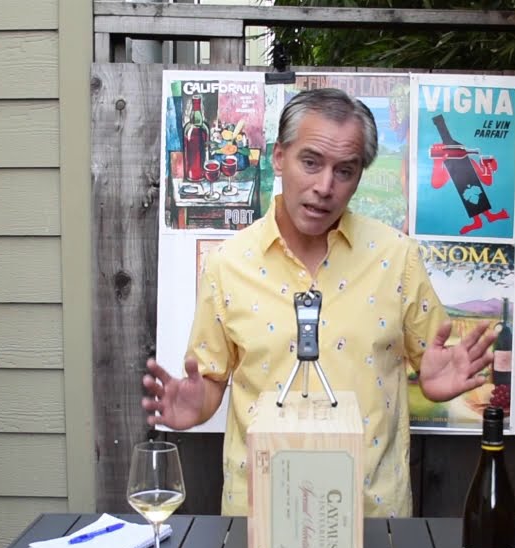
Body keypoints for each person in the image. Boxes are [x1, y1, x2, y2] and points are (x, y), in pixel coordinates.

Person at [143, 87, 495, 518]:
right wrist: (197, 404)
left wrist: (433, 380)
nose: (325, 187)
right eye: (310, 162)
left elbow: (433, 365)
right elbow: (211, 381)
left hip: (370, 517)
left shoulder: (397, 258)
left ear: (360, 175)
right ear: (279, 157)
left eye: (344, 170)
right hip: (260, 514)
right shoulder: (227, 264)